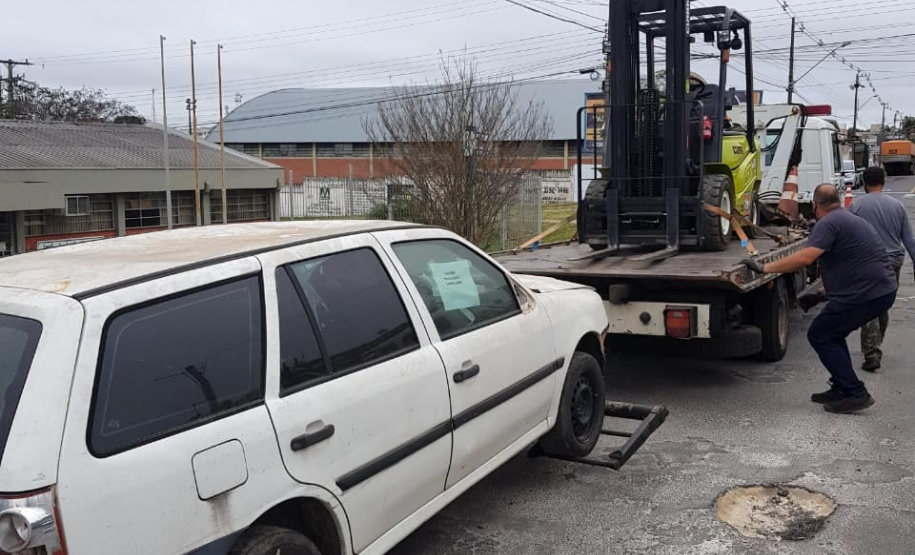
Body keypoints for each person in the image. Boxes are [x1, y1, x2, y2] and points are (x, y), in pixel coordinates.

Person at [742, 184, 897, 414]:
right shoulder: (846, 219)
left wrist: (765, 268)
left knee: (821, 334)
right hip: (879, 289)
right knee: (833, 333)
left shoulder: (828, 223)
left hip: (868, 292)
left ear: (815, 204)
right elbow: (850, 264)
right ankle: (841, 387)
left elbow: (806, 257)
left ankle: (855, 392)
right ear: (837, 200)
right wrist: (820, 295)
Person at [849, 166, 915, 372]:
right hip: (893, 261)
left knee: (868, 303)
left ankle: (872, 352)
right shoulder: (897, 206)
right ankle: (876, 340)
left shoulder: (856, 206)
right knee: (883, 301)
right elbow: (909, 240)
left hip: (867, 262)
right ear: (883, 181)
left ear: (865, 183)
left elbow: (849, 237)